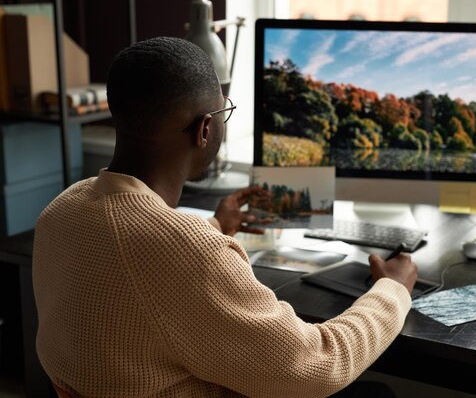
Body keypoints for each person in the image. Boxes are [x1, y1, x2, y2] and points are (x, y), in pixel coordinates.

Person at [32, 37, 417, 398]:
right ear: (204, 128)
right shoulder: (188, 251)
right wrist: (393, 290)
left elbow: (136, 278)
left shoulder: (62, 209)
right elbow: (320, 365)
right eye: (223, 111)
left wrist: (215, 228)